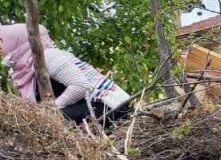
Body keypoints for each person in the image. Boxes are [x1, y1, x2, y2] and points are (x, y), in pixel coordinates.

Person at [0, 23, 132, 127]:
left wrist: (51, 109)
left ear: (16, 40)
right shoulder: (25, 69)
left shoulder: (48, 57)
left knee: (41, 122)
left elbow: (81, 86)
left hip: (109, 105)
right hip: (88, 107)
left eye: (2, 40)